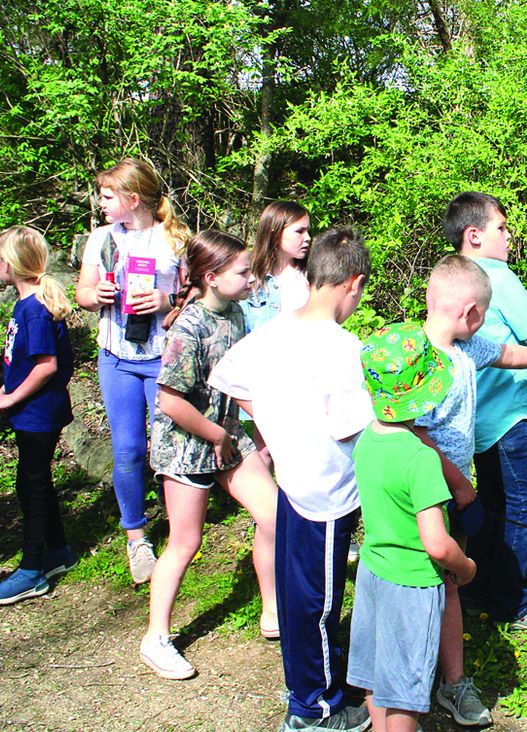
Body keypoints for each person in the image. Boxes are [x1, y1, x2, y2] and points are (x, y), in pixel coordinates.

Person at [209, 228, 373, 732]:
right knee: (318, 604)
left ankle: (310, 686)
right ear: (354, 283)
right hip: (327, 494)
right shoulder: (344, 347)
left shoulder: (272, 332)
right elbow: (354, 428)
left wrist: (275, 429)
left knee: (302, 595)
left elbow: (229, 378)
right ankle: (315, 709)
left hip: (292, 484)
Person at [415, 254, 527, 726]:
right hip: (429, 490)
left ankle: (449, 678)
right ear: (470, 312)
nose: (486, 324)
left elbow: (508, 354)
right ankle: (402, 676)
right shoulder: (415, 361)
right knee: (421, 577)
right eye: (485, 315)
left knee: (447, 581)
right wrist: (461, 486)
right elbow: (412, 434)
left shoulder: (468, 350)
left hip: (454, 489)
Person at [138, 230, 278, 680]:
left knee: (275, 515)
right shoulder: (188, 327)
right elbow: (169, 401)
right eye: (242, 272)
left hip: (228, 438)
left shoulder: (236, 313)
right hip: (185, 445)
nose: (252, 278)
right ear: (212, 277)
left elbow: (239, 380)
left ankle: (274, 611)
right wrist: (216, 434)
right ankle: (156, 638)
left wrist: (258, 432)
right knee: (185, 541)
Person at [350, 322, 476, 732]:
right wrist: (467, 567)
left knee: (374, 674)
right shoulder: (420, 458)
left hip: (372, 571)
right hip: (413, 584)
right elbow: (437, 545)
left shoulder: (367, 439)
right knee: (405, 690)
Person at [445, 191, 527, 629]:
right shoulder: (499, 275)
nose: (509, 236)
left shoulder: (454, 276)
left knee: (491, 501)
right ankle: (514, 601)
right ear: (474, 235)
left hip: (475, 414)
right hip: (507, 411)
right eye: (502, 228)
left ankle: (477, 589)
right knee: (524, 504)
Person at [75, 158, 189, 584]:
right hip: (117, 357)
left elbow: (193, 295)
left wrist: (166, 302)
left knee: (167, 448)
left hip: (161, 357)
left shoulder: (173, 239)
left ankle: (182, 533)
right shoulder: (101, 239)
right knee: (127, 450)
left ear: (132, 198)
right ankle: (136, 537)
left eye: (107, 196)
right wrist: (94, 295)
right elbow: (82, 293)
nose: (100, 202)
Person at [0, 227, 78, 604]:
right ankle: (57, 551)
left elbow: (47, 366)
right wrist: (7, 390)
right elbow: (26, 362)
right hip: (29, 409)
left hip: (38, 412)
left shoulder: (35, 309)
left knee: (32, 486)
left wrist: (12, 398)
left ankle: (32, 570)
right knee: (33, 482)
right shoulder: (26, 304)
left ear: (10, 264)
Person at [243, 200, 312, 332]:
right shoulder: (251, 278)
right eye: (299, 231)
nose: (307, 237)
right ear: (275, 233)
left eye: (308, 231)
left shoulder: (311, 276)